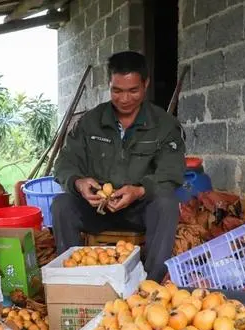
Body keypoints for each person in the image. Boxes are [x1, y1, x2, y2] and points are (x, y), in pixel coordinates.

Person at [51, 51, 185, 282]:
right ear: (109, 85)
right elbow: (64, 163)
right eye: (117, 90)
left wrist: (140, 190)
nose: (124, 99)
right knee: (61, 204)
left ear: (146, 84)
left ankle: (151, 284)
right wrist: (78, 182)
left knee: (166, 204)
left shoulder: (164, 125)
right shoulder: (90, 122)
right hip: (96, 209)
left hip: (139, 210)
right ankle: (72, 279)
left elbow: (171, 172)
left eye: (133, 90)